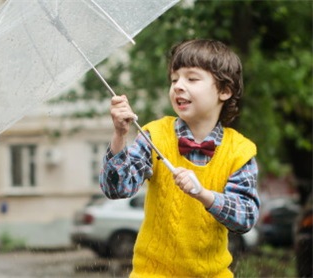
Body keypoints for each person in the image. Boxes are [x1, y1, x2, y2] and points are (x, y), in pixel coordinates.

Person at [99, 39, 260, 277]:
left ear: (224, 91)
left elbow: (245, 218)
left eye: (192, 79)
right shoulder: (154, 135)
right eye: (174, 79)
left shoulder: (240, 151)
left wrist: (203, 195)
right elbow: (117, 189)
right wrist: (120, 136)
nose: (178, 86)